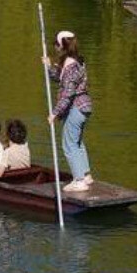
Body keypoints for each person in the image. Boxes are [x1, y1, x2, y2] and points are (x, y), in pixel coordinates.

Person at [44, 31, 93, 192]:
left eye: (56, 44)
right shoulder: (75, 62)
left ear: (62, 46)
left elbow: (68, 94)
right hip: (82, 107)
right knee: (77, 142)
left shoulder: (71, 67)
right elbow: (60, 78)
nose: (55, 47)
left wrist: (55, 113)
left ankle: (79, 181)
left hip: (76, 108)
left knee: (69, 144)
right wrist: (49, 67)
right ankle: (86, 175)